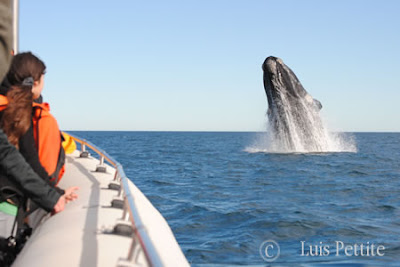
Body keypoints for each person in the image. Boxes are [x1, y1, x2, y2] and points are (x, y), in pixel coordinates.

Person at [0, 0, 69, 247]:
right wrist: (54, 195)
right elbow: (30, 162)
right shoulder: (25, 114)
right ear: (36, 83)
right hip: (6, 205)